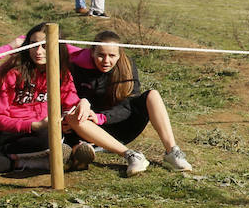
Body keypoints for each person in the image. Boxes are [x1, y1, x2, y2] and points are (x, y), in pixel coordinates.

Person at [0, 23, 98, 181]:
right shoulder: (8, 73)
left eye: (45, 46)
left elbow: (70, 102)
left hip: (28, 131)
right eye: (33, 45)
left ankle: (14, 156)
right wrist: (34, 125)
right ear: (26, 46)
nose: (38, 51)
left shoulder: (62, 73)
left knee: (50, 137)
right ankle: (31, 161)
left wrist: (84, 102)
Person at [65, 30, 193, 174]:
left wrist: (102, 117)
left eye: (112, 55)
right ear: (92, 52)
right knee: (73, 118)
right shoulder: (76, 67)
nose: (106, 61)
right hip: (89, 127)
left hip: (120, 124)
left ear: (120, 54)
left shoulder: (127, 66)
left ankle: (172, 152)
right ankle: (131, 155)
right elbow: (68, 98)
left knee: (153, 95)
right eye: (101, 55)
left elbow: (128, 105)